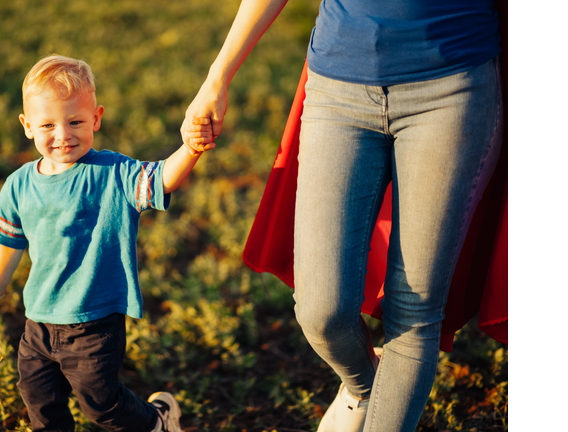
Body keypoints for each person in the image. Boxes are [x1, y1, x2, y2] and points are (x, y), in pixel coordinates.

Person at [183, 1, 502, 431]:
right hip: (338, 90)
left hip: (453, 90)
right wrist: (216, 76)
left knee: (414, 308)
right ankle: (366, 389)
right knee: (321, 310)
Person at [0, 54, 213, 432]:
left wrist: (191, 149)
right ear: (27, 126)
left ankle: (156, 423)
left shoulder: (112, 173)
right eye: (48, 124)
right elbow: (8, 239)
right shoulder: (18, 185)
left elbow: (161, 179)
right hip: (39, 321)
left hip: (95, 321)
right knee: (40, 404)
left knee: (102, 405)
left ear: (96, 118)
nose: (63, 134)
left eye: (76, 122)